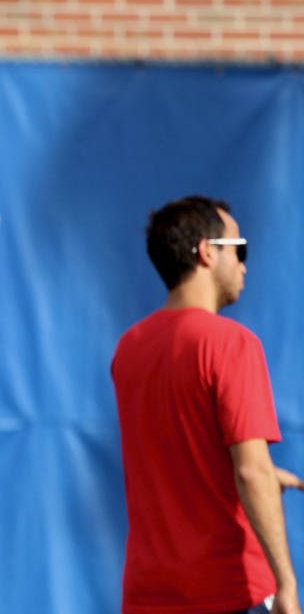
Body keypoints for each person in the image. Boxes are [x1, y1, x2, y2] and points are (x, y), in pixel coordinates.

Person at [111, 194, 302, 614]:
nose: (244, 264)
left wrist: (266, 473)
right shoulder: (231, 343)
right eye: (240, 249)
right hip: (227, 591)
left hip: (148, 594)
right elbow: (249, 471)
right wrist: (286, 585)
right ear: (206, 253)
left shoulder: (129, 349)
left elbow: (179, 451)